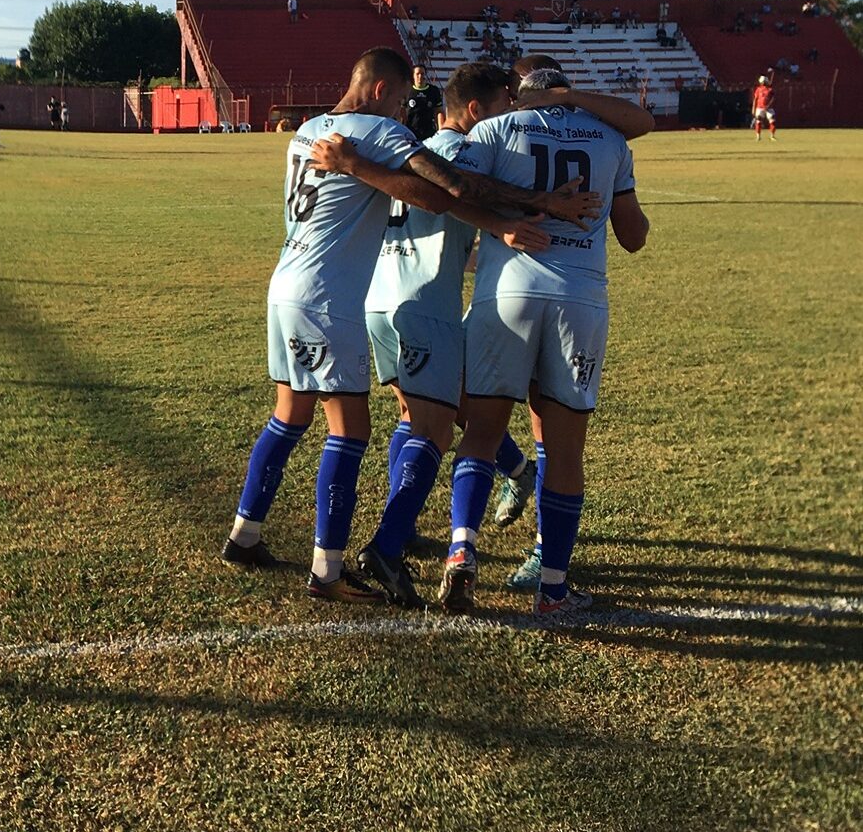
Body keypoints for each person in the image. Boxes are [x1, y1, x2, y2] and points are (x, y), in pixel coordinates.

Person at [221, 47, 602, 606]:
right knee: (377, 430)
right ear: (380, 92)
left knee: (294, 412)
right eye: (401, 100)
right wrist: (530, 206)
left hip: (294, 285)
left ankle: (245, 533)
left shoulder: (306, 131)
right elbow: (447, 191)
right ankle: (339, 567)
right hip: (356, 301)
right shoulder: (388, 136)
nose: (405, 112)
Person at [439, 59, 649, 617]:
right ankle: (552, 590)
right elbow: (633, 237)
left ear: (522, 94)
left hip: (505, 291)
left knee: (482, 434)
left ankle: (461, 551)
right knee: (564, 450)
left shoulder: (494, 129)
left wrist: (501, 223)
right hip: (579, 300)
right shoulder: (610, 139)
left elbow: (455, 187)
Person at [405, 65, 443, 140]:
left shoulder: (433, 91)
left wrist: (441, 130)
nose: (420, 76)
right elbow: (401, 112)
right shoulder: (407, 90)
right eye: (417, 74)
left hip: (429, 133)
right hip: (411, 133)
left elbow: (439, 112)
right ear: (413, 76)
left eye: (422, 74)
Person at [752, 74, 777, 141]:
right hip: (759, 108)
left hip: (769, 108)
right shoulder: (758, 89)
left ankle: (772, 136)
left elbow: (773, 98)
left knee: (772, 121)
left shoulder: (770, 89)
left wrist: (768, 105)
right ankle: (758, 136)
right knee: (758, 121)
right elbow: (755, 99)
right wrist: (753, 108)